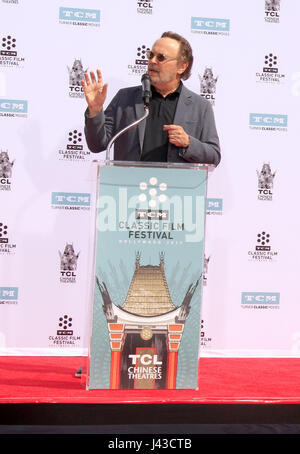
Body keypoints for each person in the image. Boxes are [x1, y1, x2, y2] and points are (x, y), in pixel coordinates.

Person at [82, 31, 221, 165]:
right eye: (150, 55)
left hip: (176, 187)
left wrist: (188, 143)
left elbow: (214, 155)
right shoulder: (125, 98)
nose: (152, 61)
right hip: (130, 185)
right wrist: (95, 110)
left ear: (181, 67)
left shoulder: (200, 106)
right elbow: (97, 144)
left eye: (161, 57)